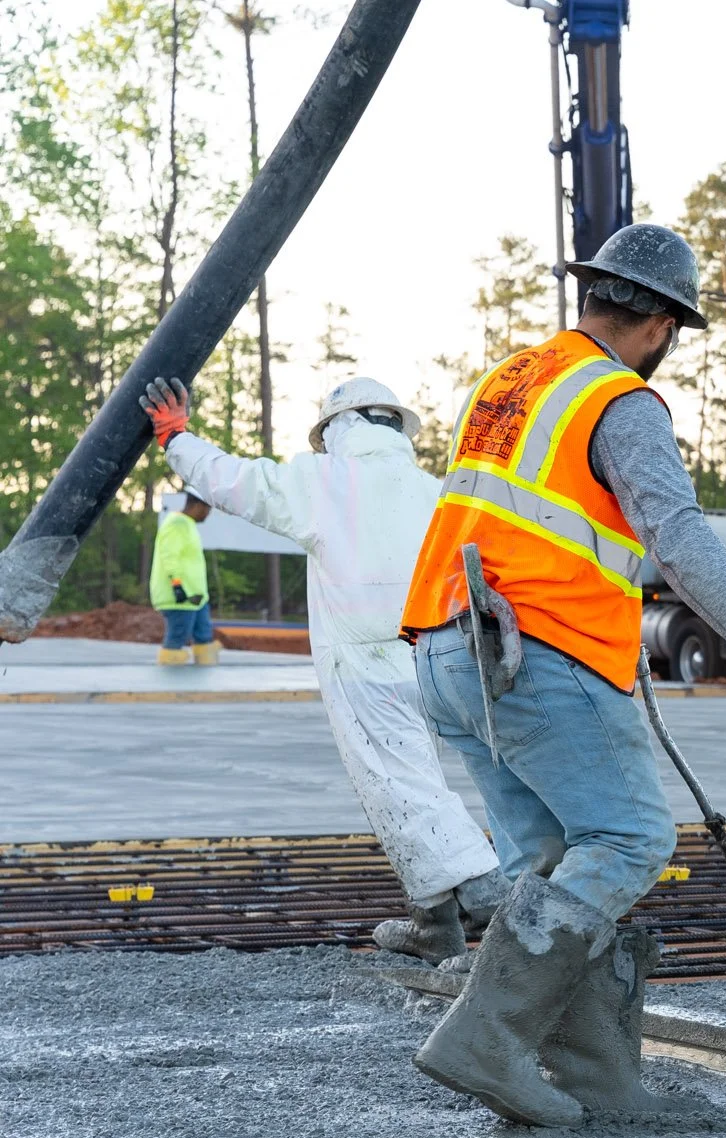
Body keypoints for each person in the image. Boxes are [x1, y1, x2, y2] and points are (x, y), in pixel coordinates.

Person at [398, 222, 726, 1129]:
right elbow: (677, 541)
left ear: (593, 295)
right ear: (663, 324)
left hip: (452, 644)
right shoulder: (620, 399)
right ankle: (486, 1038)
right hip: (537, 650)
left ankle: (596, 1081)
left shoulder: (510, 381)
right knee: (631, 839)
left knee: (552, 864)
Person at [138, 374, 509, 964]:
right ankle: (433, 921)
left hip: (364, 662)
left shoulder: (324, 481)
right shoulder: (432, 489)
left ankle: (488, 892)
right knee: (409, 779)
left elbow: (234, 482)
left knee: (397, 781)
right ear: (395, 427)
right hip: (435, 652)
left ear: (339, 428)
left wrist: (176, 437)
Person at [150, 493, 217, 665]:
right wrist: (177, 585)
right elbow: (169, 556)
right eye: (207, 509)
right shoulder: (176, 524)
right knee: (177, 636)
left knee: (204, 636)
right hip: (180, 596)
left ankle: (206, 676)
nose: (208, 514)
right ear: (197, 506)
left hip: (197, 597)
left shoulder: (188, 525)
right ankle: (169, 677)